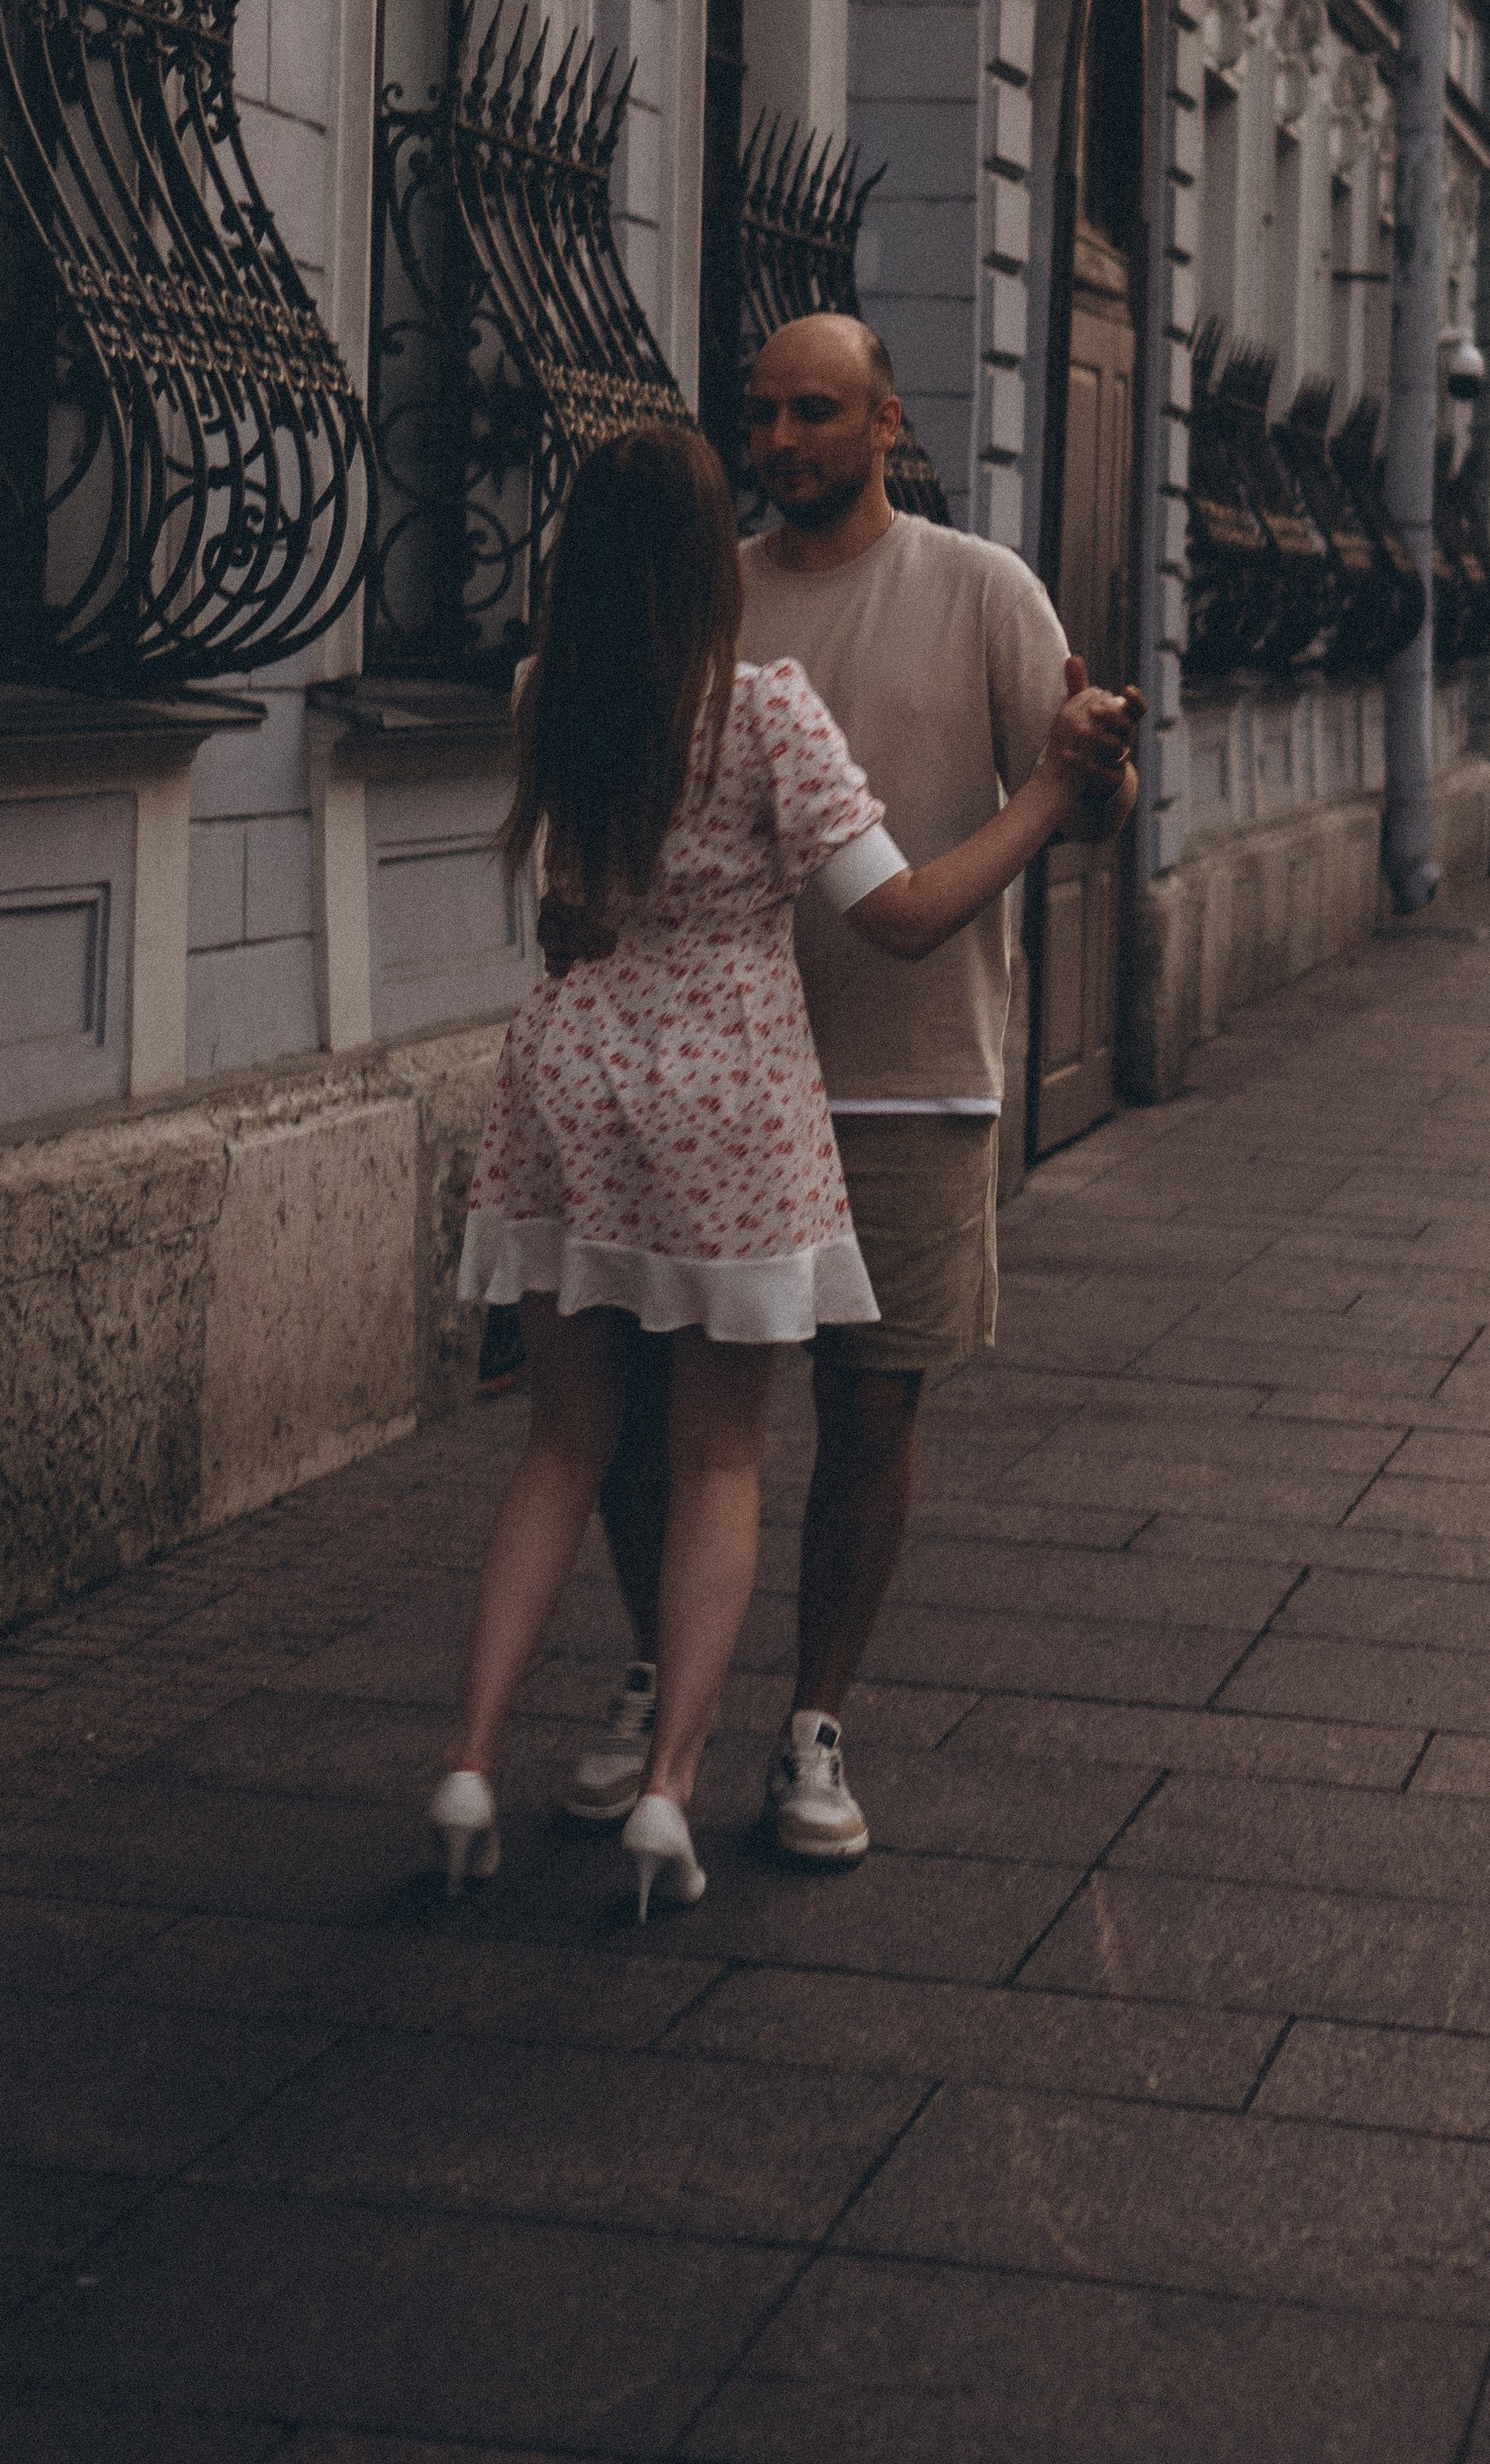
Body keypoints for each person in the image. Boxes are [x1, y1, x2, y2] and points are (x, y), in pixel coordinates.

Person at [429, 418, 1130, 1922]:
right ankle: (675, 1793)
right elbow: (904, 915)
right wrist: (1046, 803)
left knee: (559, 1443)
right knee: (722, 1458)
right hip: (727, 1094)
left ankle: (472, 1761)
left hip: (566, 1081)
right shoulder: (763, 713)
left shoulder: (548, 693)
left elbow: (570, 903)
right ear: (709, 563)